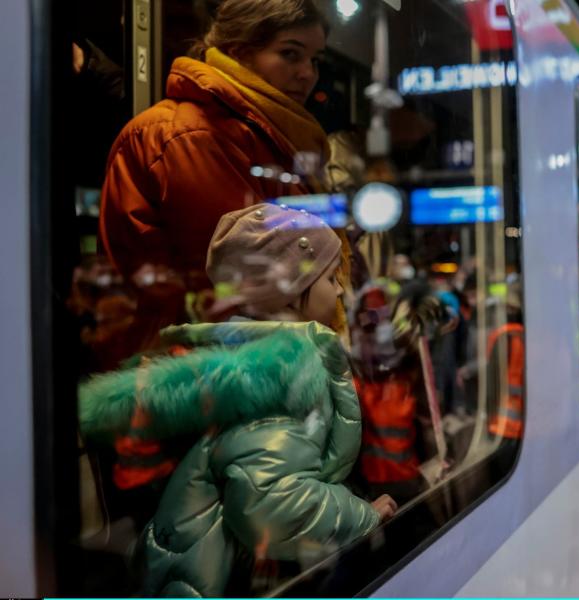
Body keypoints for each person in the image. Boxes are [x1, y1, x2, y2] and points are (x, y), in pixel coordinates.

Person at [79, 204, 396, 596]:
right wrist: (362, 515)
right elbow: (270, 504)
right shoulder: (277, 379)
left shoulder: (232, 365)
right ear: (293, 291)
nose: (341, 289)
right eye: (331, 277)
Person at [100, 0, 335, 354]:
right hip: (200, 374)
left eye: (314, 60)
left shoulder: (270, 137)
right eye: (290, 54)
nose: (308, 73)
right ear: (238, 53)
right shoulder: (193, 135)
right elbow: (242, 281)